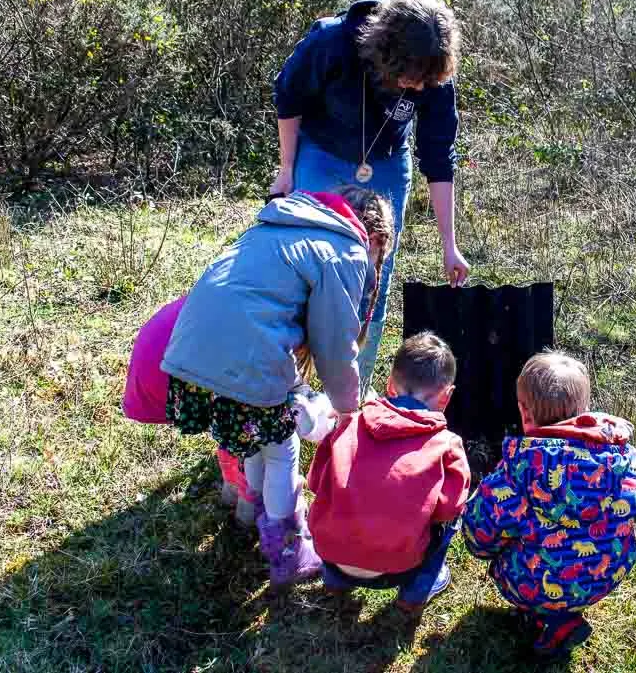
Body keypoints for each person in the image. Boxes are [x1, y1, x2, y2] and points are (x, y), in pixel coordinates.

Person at [160, 187, 393, 587]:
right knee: (283, 450)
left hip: (190, 356)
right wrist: (347, 406)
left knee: (257, 437)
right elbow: (334, 345)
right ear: (375, 240)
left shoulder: (274, 226)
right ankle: (289, 553)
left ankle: (247, 511)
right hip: (249, 363)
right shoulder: (347, 251)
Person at [271, 0, 471, 388]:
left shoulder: (432, 73)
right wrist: (287, 169)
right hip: (322, 153)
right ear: (385, 52)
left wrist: (449, 243)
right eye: (410, 78)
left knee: (372, 271)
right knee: (312, 259)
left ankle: (349, 389)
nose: (416, 88)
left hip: (386, 161)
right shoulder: (330, 42)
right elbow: (288, 96)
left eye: (424, 81)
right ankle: (290, 383)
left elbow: (437, 153)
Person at [462, 353, 636, 659]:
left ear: (524, 414)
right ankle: (563, 613)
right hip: (608, 573)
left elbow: (479, 535)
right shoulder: (624, 462)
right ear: (584, 411)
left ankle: (547, 617)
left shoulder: (518, 473)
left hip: (533, 584)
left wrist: (490, 550)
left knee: (523, 563)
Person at [122, 295, 333, 527]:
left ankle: (233, 491)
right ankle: (259, 519)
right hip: (173, 370)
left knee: (229, 422)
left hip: (159, 352)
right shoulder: (276, 324)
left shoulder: (247, 294)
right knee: (261, 437)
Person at [306, 332, 471, 614]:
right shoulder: (447, 444)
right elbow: (449, 508)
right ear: (447, 397)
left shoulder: (348, 425)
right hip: (398, 567)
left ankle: (334, 581)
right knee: (452, 523)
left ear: (390, 386)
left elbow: (314, 482)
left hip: (332, 553)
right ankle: (414, 594)